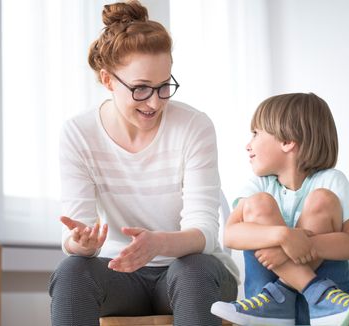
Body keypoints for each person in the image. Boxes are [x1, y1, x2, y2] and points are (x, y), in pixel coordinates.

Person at [48, 1, 238, 325]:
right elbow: (77, 231)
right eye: (140, 89)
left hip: (191, 273)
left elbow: (204, 231)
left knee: (194, 269)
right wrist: (80, 242)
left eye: (164, 86)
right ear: (108, 80)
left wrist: (160, 243)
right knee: (71, 272)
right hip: (120, 275)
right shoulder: (79, 133)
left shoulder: (194, 126)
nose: (155, 101)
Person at [211, 93, 349, 325]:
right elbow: (230, 236)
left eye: (256, 133)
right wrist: (284, 236)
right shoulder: (259, 186)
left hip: (331, 311)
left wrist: (304, 245)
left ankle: (307, 297)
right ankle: (314, 292)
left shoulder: (331, 181)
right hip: (268, 311)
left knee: (322, 200)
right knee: (259, 203)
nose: (248, 144)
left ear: (287, 141)